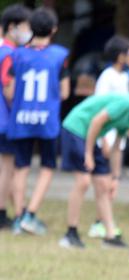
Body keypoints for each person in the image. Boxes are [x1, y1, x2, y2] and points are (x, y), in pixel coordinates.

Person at [57, 93, 129, 249]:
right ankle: (70, 233)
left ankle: (110, 236)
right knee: (83, 182)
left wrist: (115, 178)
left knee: (104, 184)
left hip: (91, 135)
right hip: (76, 129)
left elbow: (117, 148)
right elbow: (97, 120)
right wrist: (88, 153)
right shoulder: (127, 104)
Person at [4, 7, 68, 236]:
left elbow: (9, 91)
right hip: (47, 120)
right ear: (54, 29)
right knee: (48, 166)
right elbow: (64, 92)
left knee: (20, 167)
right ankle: (31, 214)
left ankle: (19, 217)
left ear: (30, 28)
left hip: (21, 118)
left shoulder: (17, 54)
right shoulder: (59, 55)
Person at [85, 34, 129, 239]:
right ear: (121, 56)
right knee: (103, 183)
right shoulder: (107, 77)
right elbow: (99, 108)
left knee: (113, 182)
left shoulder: (123, 77)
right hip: (106, 138)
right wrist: (103, 139)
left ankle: (102, 221)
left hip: (118, 139)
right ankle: (100, 223)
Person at [0, 3, 29, 231]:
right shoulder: (10, 54)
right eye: (26, 27)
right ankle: (2, 215)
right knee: (7, 169)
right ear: (12, 27)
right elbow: (9, 88)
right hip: (5, 120)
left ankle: (18, 211)